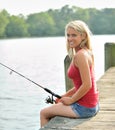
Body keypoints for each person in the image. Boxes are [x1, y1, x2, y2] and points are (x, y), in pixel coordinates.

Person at [40, 20, 99, 128]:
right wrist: (64, 96)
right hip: (91, 105)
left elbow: (87, 84)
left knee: (43, 113)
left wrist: (71, 99)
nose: (70, 39)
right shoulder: (87, 52)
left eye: (74, 35)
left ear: (83, 36)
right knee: (56, 108)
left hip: (84, 108)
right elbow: (80, 85)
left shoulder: (80, 56)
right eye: (68, 35)